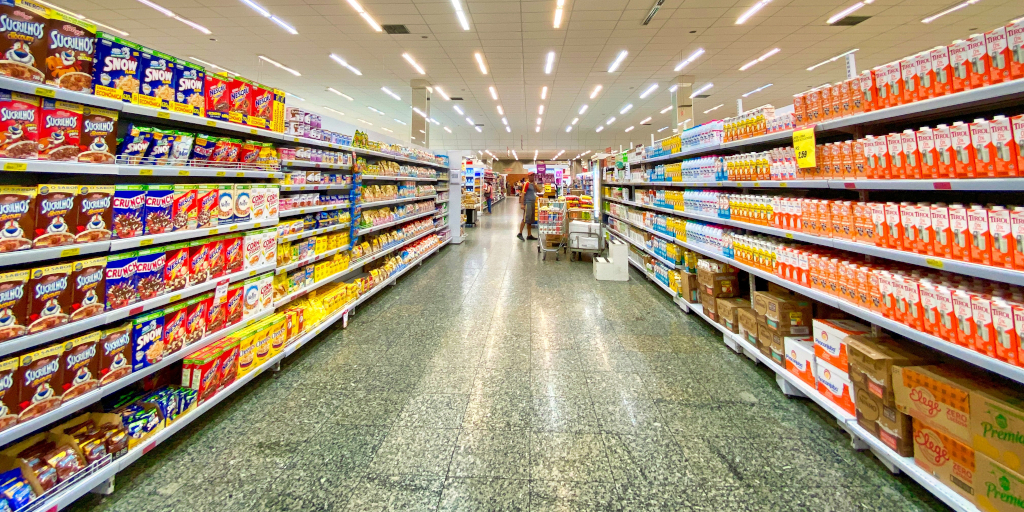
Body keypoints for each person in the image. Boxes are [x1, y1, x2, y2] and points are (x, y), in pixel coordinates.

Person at [518, 174, 538, 241]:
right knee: (525, 218)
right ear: (529, 177)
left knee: (530, 219)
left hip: (532, 203)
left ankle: (529, 235)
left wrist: (535, 185)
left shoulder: (533, 184)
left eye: (533, 176)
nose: (533, 177)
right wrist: (522, 204)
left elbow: (539, 191)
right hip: (528, 203)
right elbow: (523, 194)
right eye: (531, 176)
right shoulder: (526, 184)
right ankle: (520, 233)